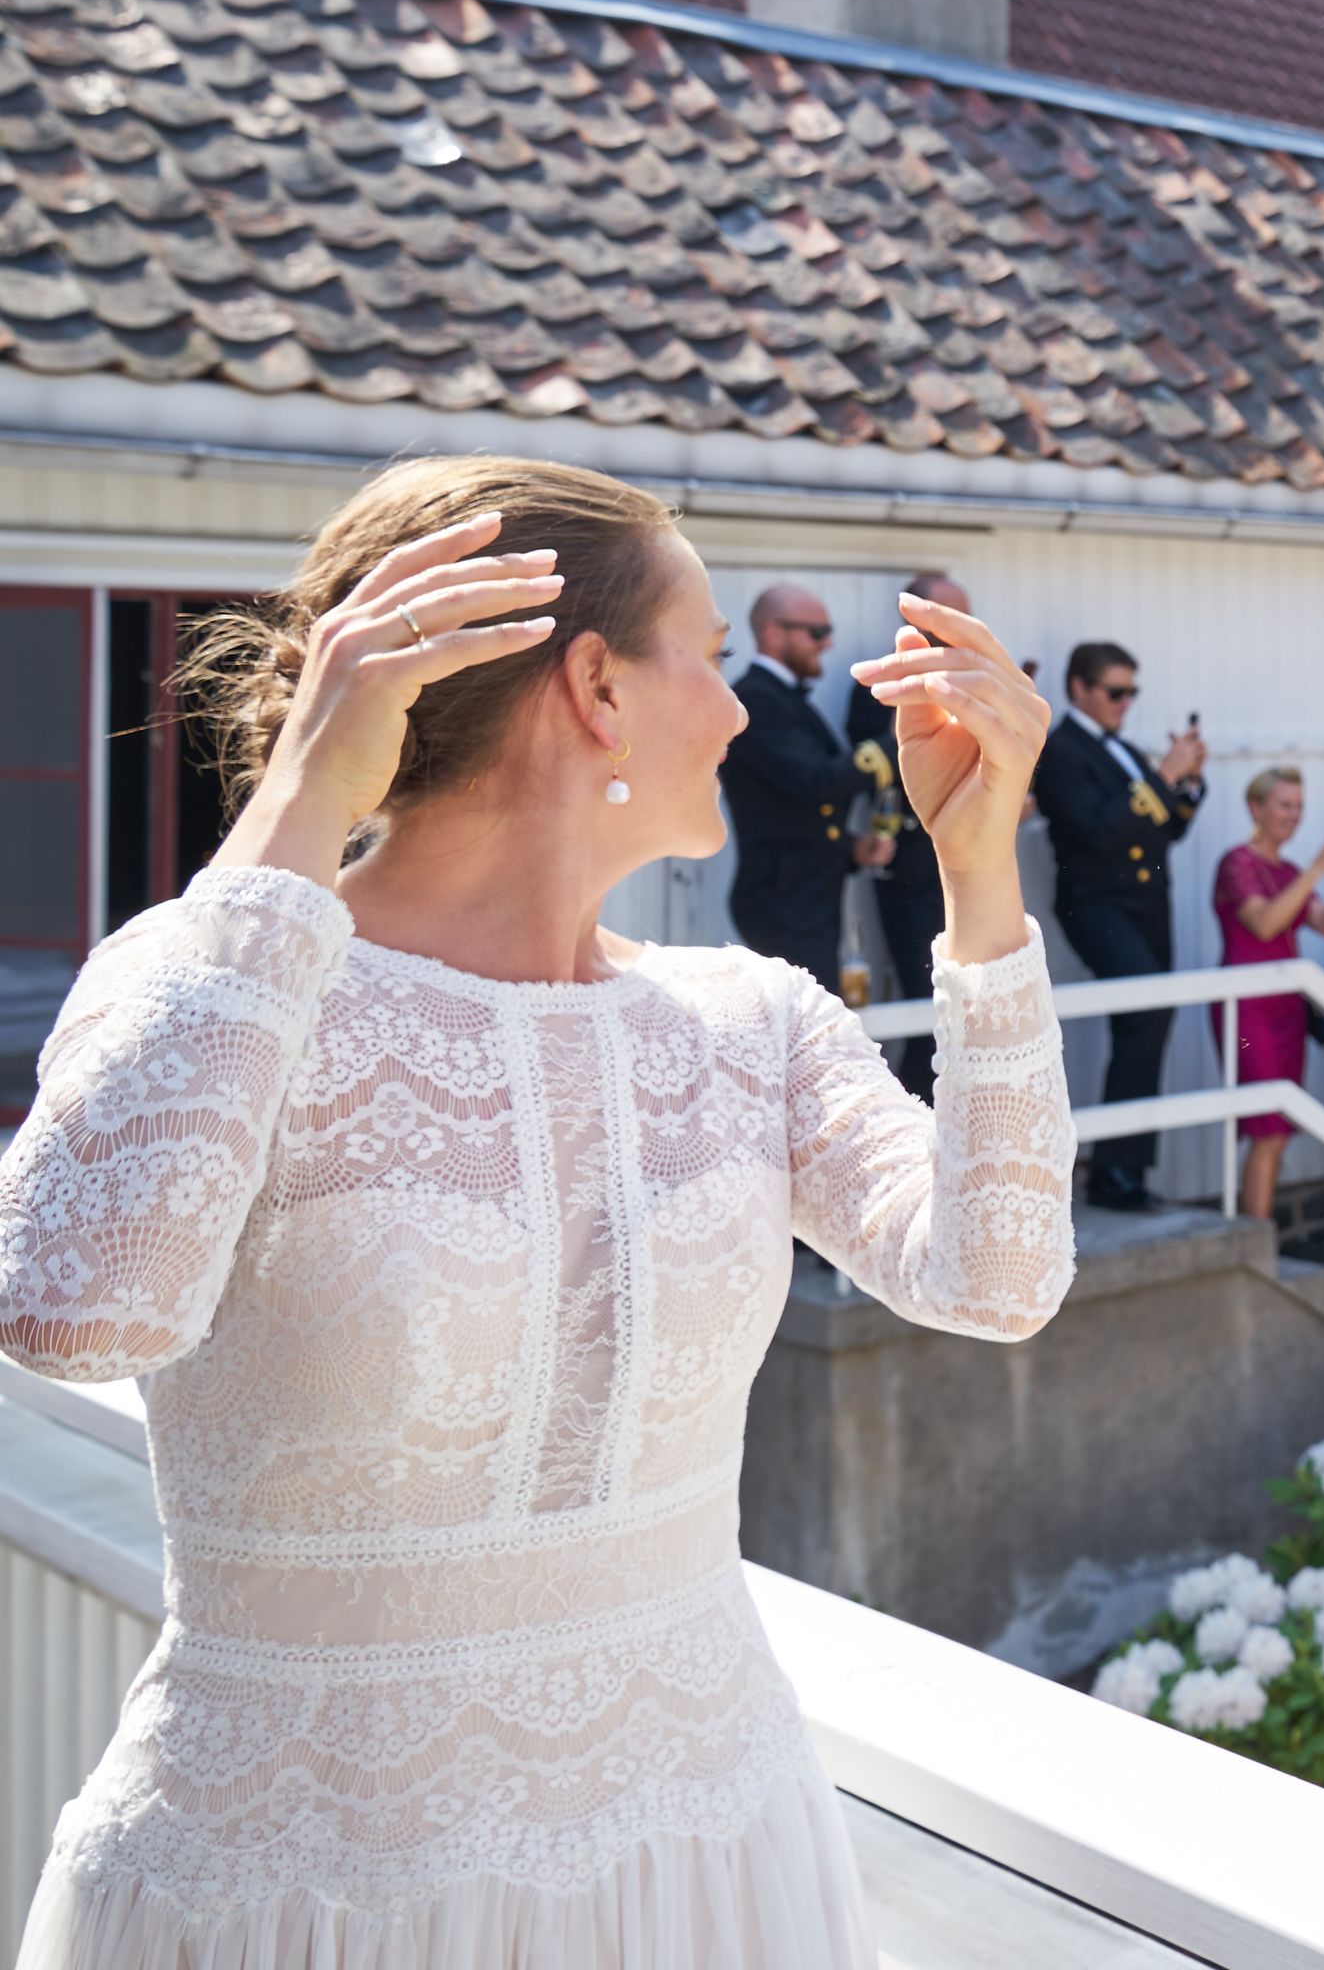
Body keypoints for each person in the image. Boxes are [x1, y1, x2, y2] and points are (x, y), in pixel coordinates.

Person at [0, 459, 1071, 1966]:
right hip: (306, 1898)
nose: (740, 710)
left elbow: (998, 1275)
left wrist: (980, 873)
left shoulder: (752, 1021)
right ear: (597, 688)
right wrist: (304, 804)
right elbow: (73, 1306)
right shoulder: (218, 985)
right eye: (709, 655)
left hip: (714, 1858)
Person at [1035, 640, 1206, 1212]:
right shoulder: (1061, 750)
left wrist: (1186, 783)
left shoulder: (1125, 751)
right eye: (1114, 692)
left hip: (1147, 903)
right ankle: (1114, 1172)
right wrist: (1162, 776)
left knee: (1149, 1020)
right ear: (1079, 688)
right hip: (1097, 903)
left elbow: (1164, 830)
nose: (1125, 702)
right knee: (1146, 1013)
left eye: (1131, 692)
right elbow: (1097, 831)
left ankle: (1124, 1168)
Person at [1213, 766, 1324, 1223]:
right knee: (1268, 1126)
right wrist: (1317, 869)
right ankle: (1258, 1237)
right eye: (1284, 805)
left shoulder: (1290, 871)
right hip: (1246, 1012)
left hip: (1286, 1011)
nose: (1294, 815)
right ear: (1256, 808)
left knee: (1279, 1125)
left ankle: (1258, 1229)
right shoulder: (1238, 863)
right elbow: (1264, 923)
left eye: (1299, 806)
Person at [721, 580, 882, 990]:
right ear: (774, 633)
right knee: (803, 1020)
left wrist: (850, 847)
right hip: (783, 901)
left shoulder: (781, 696)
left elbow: (797, 811)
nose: (827, 644)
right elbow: (815, 782)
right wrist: (896, 745)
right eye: (817, 632)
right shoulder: (755, 699)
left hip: (806, 894)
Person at [844, 566, 968, 1089]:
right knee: (928, 1007)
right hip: (913, 868)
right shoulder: (883, 677)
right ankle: (913, 1118)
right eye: (950, 616)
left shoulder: (974, 678)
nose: (963, 626)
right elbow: (872, 760)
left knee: (967, 1006)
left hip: (966, 863)